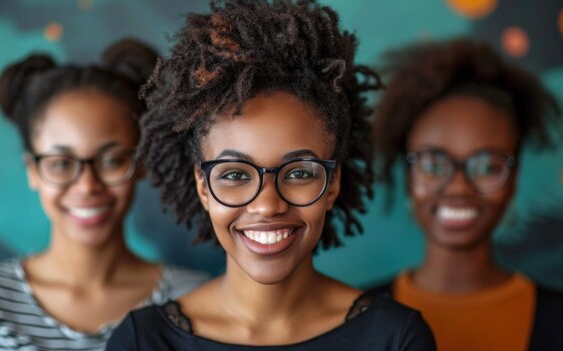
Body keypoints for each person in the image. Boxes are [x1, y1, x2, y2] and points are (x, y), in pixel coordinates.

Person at [106, 1, 436, 350]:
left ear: (333, 184)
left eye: (297, 173)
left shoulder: (396, 338)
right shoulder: (143, 341)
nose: (267, 205)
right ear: (203, 187)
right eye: (234, 175)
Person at [0, 39, 208, 350]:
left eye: (112, 160)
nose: (87, 186)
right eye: (61, 164)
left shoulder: (196, 301)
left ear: (141, 163)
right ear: (32, 170)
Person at [369, 38, 563, 351]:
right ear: (408, 173)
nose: (459, 187)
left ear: (514, 176)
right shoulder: (355, 318)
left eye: (486, 167)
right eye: (433, 164)